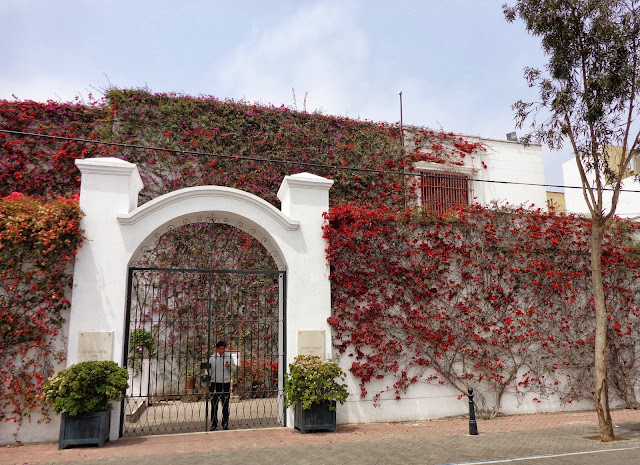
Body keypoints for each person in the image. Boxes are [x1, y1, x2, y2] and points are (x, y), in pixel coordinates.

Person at [205, 340, 236, 431]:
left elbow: (234, 370)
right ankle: (214, 424)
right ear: (217, 349)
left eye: (224, 349)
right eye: (221, 349)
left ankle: (225, 423)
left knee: (225, 404)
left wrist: (229, 366)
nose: (222, 350)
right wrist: (207, 373)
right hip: (215, 383)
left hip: (225, 383)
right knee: (214, 405)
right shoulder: (212, 358)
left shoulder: (228, 357)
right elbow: (209, 370)